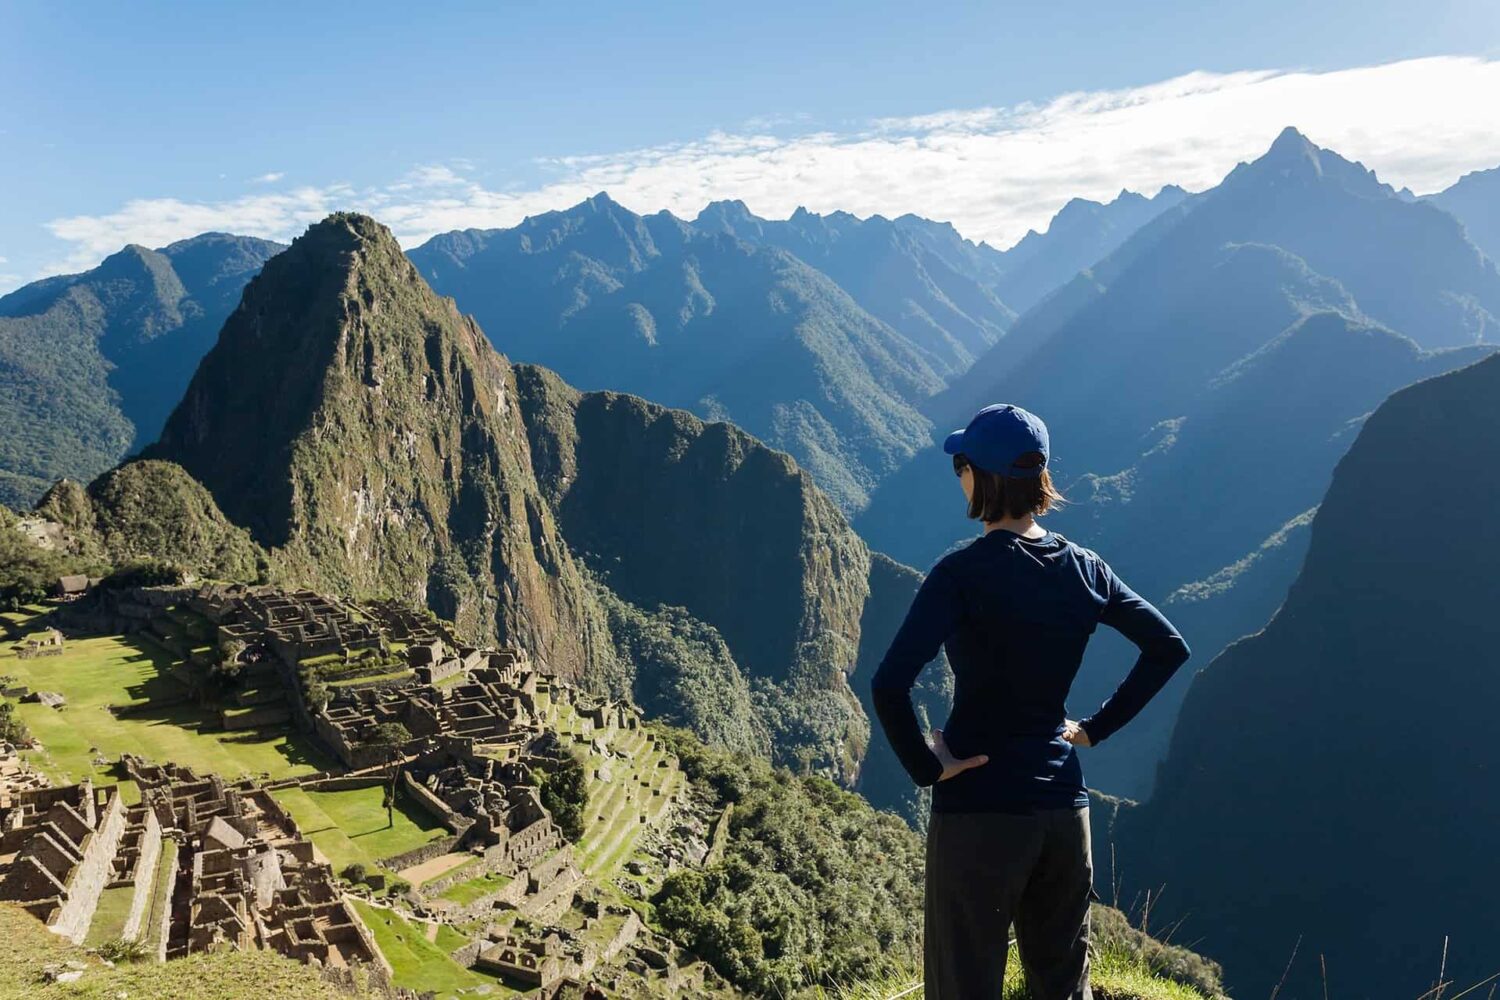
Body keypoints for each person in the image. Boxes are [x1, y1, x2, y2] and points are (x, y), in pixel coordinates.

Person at [870, 402, 1191, 1000]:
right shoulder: (1086, 570)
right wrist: (1094, 730)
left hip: (979, 808)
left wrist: (927, 767)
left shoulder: (960, 575)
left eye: (961, 463)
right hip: (1065, 811)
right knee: (1064, 985)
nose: (958, 474)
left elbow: (890, 684)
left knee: (964, 983)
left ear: (980, 477)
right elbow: (1167, 647)